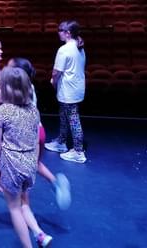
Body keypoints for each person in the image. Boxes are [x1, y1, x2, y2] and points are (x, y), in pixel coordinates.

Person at [0, 57, 71, 210]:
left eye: (8, 69)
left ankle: (25, 214)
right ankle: (55, 183)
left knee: (20, 172)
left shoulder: (10, 92)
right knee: (34, 164)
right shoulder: (29, 87)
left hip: (21, 135)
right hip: (38, 131)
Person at [0, 66, 52, 247]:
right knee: (24, 202)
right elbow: (35, 141)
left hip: (11, 168)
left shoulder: (2, 112)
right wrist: (34, 164)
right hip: (29, 166)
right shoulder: (34, 110)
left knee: (14, 208)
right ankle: (39, 234)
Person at [44, 20, 87, 164]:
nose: (58, 33)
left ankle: (78, 152)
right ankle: (61, 142)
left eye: (60, 30)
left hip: (69, 90)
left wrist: (53, 82)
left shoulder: (64, 49)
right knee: (64, 115)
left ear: (68, 33)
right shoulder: (79, 47)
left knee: (73, 119)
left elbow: (56, 72)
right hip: (74, 88)